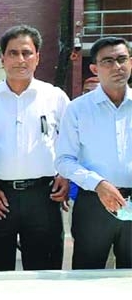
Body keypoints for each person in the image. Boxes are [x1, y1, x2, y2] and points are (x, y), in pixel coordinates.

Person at [0, 25, 70, 271]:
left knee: (45, 273)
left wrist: (66, 177)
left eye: (27, 52)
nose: (20, 60)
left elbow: (72, 144)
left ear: (38, 57)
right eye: (13, 53)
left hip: (44, 197)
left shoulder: (55, 97)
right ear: (2, 58)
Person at [56, 36, 132, 269]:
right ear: (94, 68)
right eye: (107, 61)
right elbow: (64, 160)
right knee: (87, 277)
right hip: (93, 204)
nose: (116, 67)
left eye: (122, 59)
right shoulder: (78, 109)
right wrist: (98, 183)